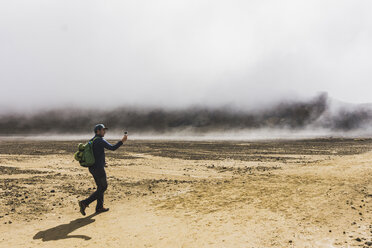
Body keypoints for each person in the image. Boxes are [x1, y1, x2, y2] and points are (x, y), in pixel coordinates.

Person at [78, 124, 127, 215]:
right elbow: (112, 148)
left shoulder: (92, 140)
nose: (104, 131)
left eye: (105, 130)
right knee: (103, 187)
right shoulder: (100, 140)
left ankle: (99, 207)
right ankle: (85, 202)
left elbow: (96, 154)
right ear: (98, 131)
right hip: (98, 169)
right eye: (103, 130)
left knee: (100, 187)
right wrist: (122, 141)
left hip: (92, 168)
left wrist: (102, 162)